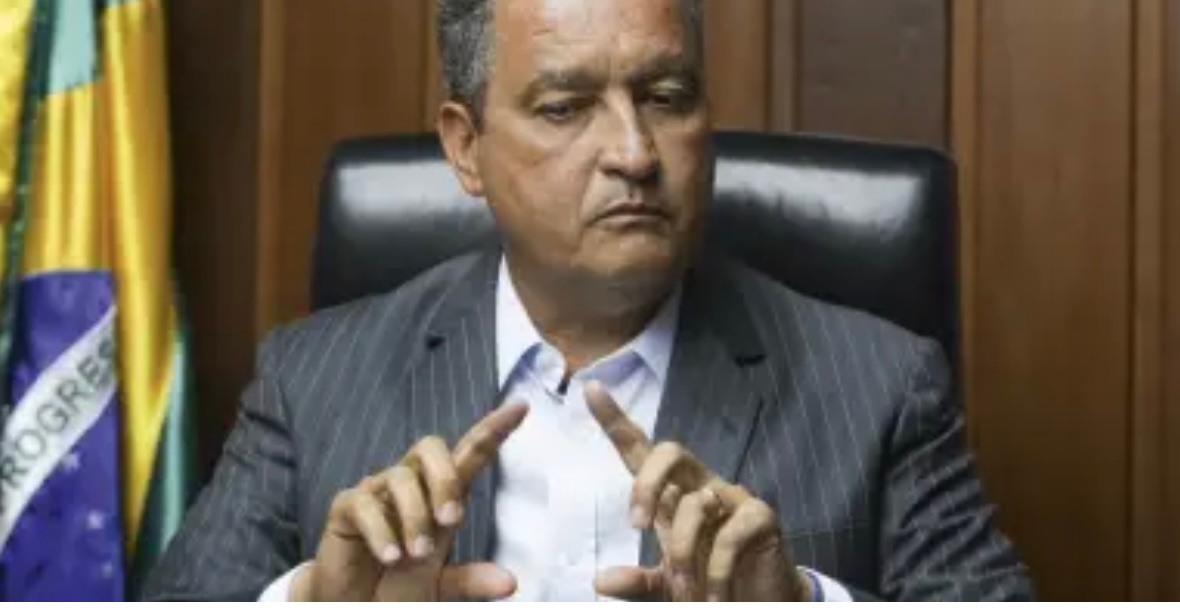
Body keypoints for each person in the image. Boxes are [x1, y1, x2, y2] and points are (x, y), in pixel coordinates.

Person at [142, 0, 1034, 601]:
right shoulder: (312, 379)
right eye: (566, 107)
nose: (635, 153)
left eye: (667, 97)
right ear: (465, 148)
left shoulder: (880, 387)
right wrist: (309, 606)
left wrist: (801, 607)